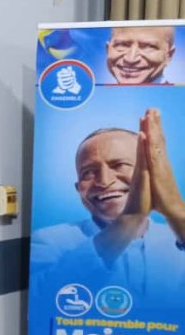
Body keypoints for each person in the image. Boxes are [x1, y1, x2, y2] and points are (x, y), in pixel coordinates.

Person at [31, 109, 185, 300]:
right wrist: (130, 219)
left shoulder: (177, 238)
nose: (104, 181)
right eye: (88, 172)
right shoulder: (50, 241)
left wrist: (177, 211)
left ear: (151, 173)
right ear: (78, 188)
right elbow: (43, 296)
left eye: (119, 165)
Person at [106, 26, 175, 84]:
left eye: (148, 47)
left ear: (169, 55)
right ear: (107, 50)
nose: (131, 59)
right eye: (121, 45)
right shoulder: (99, 95)